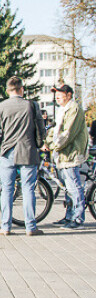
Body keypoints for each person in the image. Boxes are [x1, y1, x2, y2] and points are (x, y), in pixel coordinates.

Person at [0, 75, 46, 236]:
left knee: (6, 189)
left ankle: (5, 226)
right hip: (28, 151)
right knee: (28, 189)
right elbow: (41, 129)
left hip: (7, 152)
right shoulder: (32, 105)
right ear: (21, 89)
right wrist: (39, 144)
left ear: (8, 91)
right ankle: (30, 226)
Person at [48, 83, 88, 229]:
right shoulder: (62, 110)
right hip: (63, 154)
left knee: (74, 187)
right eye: (56, 94)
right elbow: (54, 130)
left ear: (69, 95)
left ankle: (78, 219)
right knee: (67, 188)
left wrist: (53, 146)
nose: (57, 96)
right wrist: (47, 141)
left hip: (71, 153)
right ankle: (69, 216)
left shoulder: (74, 108)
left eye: (60, 93)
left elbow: (68, 133)